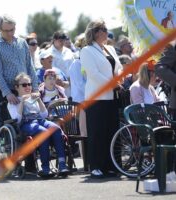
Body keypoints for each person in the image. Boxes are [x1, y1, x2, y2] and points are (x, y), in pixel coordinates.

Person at [80, 20, 122, 178]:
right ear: (95, 32)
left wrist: (119, 78)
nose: (106, 31)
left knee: (111, 130)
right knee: (97, 132)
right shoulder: (86, 50)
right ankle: (96, 166)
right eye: (103, 29)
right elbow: (93, 73)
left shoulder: (110, 48)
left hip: (112, 96)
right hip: (96, 97)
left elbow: (118, 67)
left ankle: (111, 165)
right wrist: (113, 84)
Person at [7, 73, 69, 178]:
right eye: (24, 85)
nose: (28, 87)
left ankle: (62, 164)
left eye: (29, 84)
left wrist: (39, 100)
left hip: (40, 120)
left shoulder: (34, 97)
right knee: (43, 132)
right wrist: (22, 102)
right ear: (16, 87)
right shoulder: (14, 101)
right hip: (26, 123)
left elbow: (44, 115)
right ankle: (45, 168)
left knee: (56, 128)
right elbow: (17, 120)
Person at [0, 14, 39, 130]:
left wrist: (35, 88)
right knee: (7, 123)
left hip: (24, 88)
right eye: (6, 31)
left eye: (12, 30)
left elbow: (30, 67)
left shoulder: (22, 43)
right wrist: (7, 93)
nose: (10, 33)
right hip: (7, 91)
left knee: (27, 123)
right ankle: (3, 146)